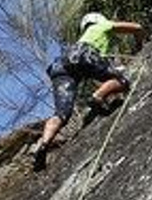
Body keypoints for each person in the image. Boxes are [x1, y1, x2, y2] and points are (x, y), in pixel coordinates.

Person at [30, 12, 144, 170]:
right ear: (98, 20)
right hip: (84, 54)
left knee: (61, 114)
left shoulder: (83, 37)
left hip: (61, 66)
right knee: (121, 81)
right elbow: (137, 27)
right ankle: (97, 97)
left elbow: (95, 75)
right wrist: (140, 44)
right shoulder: (101, 26)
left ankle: (43, 144)